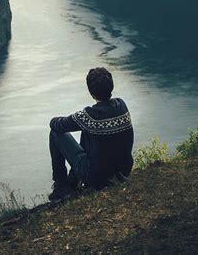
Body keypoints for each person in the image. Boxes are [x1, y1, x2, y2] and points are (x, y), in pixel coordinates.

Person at [48, 67, 134, 201]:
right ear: (111, 87)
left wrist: (54, 119)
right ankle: (73, 181)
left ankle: (61, 187)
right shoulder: (121, 104)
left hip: (97, 177)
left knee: (55, 134)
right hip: (123, 171)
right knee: (89, 132)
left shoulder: (88, 116)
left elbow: (57, 125)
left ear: (91, 93)